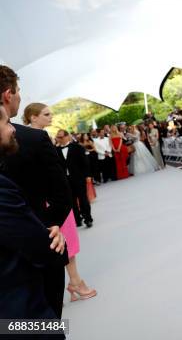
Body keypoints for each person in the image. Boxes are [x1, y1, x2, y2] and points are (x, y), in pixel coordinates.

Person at [0, 66, 72, 319]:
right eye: (19, 91)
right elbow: (63, 193)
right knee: (45, 321)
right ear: (9, 94)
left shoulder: (31, 139)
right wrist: (50, 228)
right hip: (37, 253)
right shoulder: (34, 139)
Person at [24, 105, 97, 302]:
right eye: (46, 114)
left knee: (67, 242)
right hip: (51, 201)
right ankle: (75, 283)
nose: (51, 117)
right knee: (62, 243)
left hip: (57, 198)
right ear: (33, 117)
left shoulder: (41, 137)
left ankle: (75, 281)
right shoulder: (34, 138)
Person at [55, 129, 93, 228]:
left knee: (83, 199)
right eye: (58, 137)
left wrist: (88, 175)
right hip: (65, 181)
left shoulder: (77, 147)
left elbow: (85, 163)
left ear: (67, 136)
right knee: (71, 201)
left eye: (61, 137)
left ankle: (88, 219)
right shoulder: (55, 151)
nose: (59, 139)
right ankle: (77, 219)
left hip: (78, 178)